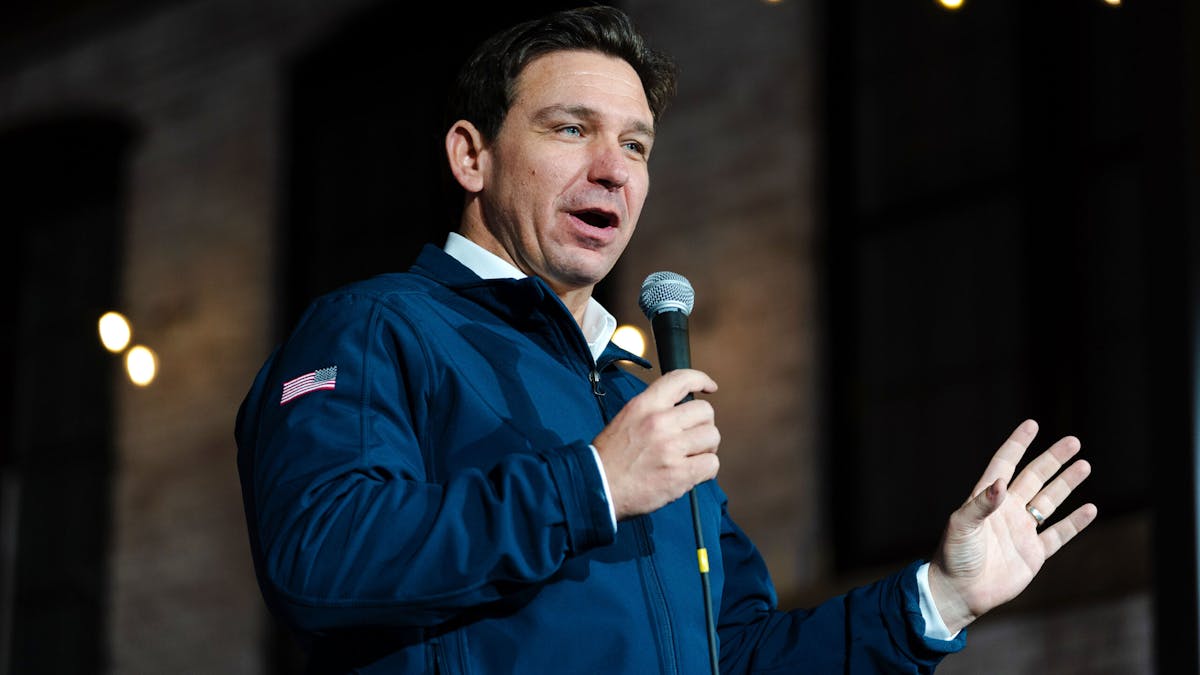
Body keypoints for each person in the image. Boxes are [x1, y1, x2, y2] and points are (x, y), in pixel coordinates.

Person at [234, 6, 1098, 673]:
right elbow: (321, 555)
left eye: (636, 144)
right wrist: (593, 483)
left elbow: (738, 653)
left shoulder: (633, 394)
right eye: (571, 128)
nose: (613, 168)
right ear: (472, 156)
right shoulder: (376, 326)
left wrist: (936, 600)